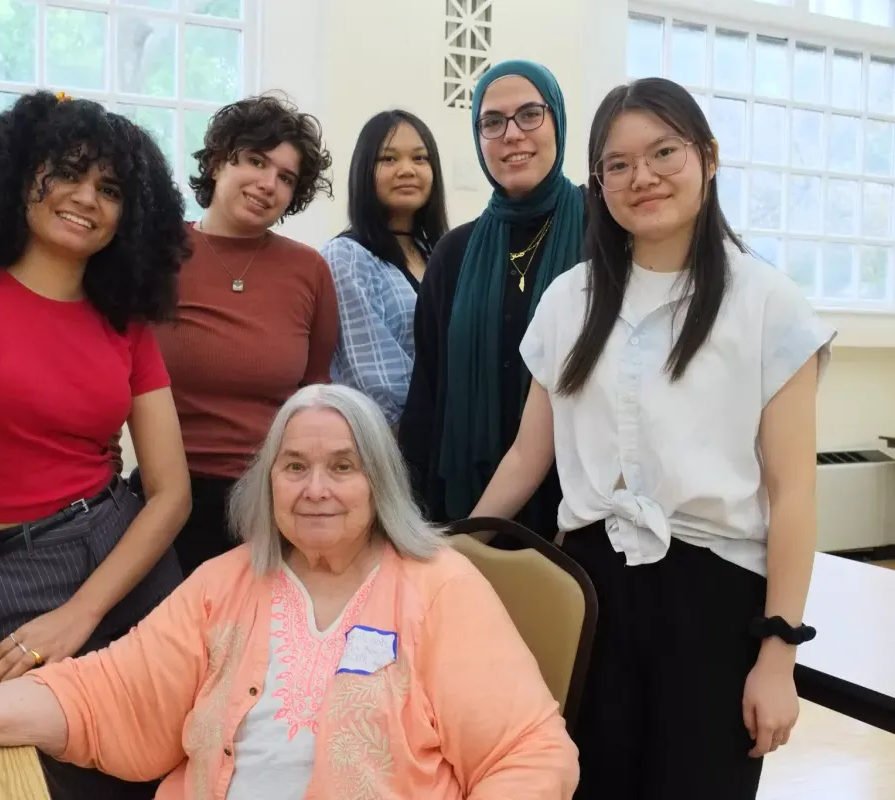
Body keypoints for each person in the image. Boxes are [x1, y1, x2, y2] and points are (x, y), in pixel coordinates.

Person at [0, 384, 581, 800]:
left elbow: (531, 755)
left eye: (344, 466)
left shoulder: (441, 589)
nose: (317, 489)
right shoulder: (227, 584)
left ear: (381, 483)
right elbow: (98, 693)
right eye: (293, 467)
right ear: (266, 483)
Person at [471, 77, 835, 800]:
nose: (643, 177)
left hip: (715, 599)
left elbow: (792, 494)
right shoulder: (568, 300)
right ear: (597, 182)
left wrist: (778, 655)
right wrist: (456, 552)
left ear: (708, 156)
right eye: (618, 164)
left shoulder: (768, 303)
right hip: (586, 595)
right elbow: (527, 455)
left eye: (664, 152)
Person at [0, 90, 193, 799]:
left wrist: (83, 610)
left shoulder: (126, 326)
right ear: (21, 175)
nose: (87, 198)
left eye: (110, 189)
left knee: (183, 752)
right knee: (84, 772)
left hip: (127, 548)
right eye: (68, 173)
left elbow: (170, 493)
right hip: (20, 567)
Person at [144, 93, 340, 577]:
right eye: (256, 160)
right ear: (217, 163)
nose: (268, 183)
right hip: (167, 497)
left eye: (286, 177)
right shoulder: (156, 253)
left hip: (269, 502)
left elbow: (314, 393)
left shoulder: (309, 270)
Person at [397, 61, 585, 532]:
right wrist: (411, 517)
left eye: (530, 115)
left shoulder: (603, 234)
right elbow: (427, 395)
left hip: (581, 508)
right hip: (465, 500)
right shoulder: (453, 253)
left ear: (557, 120)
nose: (512, 134)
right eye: (492, 122)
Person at [321, 109, 449, 427]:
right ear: (364, 171)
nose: (407, 170)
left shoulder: (443, 253)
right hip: (391, 445)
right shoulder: (347, 257)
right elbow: (372, 383)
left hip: (456, 442)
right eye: (388, 160)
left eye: (420, 159)